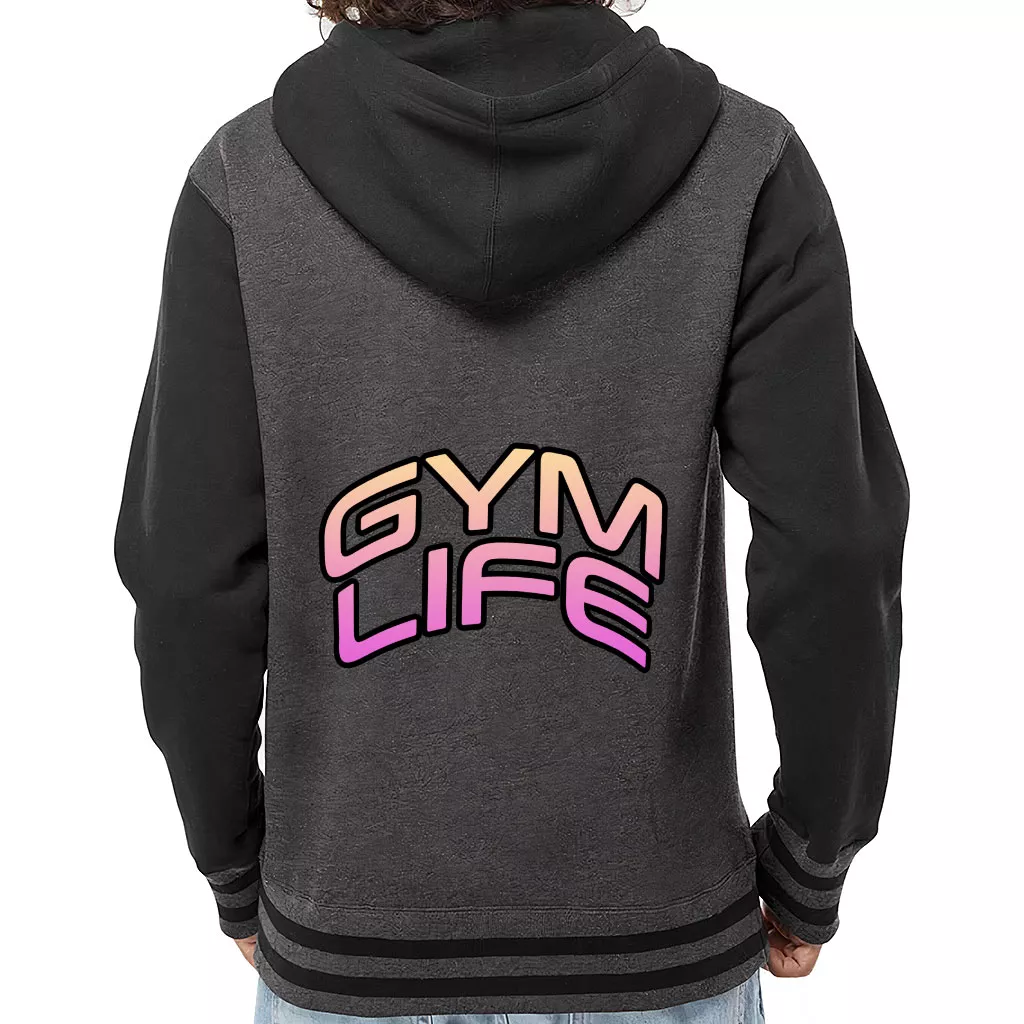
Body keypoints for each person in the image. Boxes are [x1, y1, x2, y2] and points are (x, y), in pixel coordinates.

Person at [114, 1, 909, 1021]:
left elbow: (187, 578)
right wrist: (811, 859)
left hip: (355, 947)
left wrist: (232, 860)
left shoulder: (246, 184)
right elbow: (835, 548)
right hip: (656, 948)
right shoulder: (743, 167)